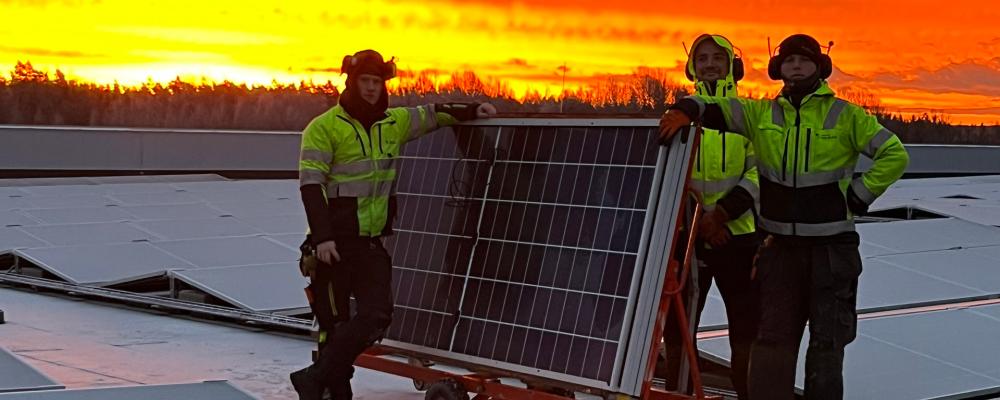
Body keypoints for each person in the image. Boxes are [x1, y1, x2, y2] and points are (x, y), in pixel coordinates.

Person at [658, 34, 909, 400]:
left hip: (809, 246)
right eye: (788, 60)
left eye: (803, 60)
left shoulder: (844, 114)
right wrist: (685, 109)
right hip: (766, 246)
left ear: (820, 67)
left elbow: (894, 154)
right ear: (778, 68)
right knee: (768, 341)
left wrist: (857, 196)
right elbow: (710, 116)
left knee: (822, 345)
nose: (795, 66)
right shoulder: (760, 114)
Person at [291, 49, 496, 400]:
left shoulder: (394, 123)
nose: (371, 88)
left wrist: (473, 109)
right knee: (333, 328)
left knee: (376, 315)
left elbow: (434, 114)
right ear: (351, 82)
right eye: (365, 81)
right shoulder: (323, 129)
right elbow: (311, 187)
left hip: (370, 243)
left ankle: (315, 377)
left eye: (376, 82)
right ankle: (329, 390)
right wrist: (323, 239)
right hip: (333, 246)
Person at [664, 33, 760, 400]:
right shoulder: (676, 116)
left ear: (732, 65)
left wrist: (721, 215)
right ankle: (678, 394)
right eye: (701, 58)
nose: (709, 64)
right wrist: (699, 221)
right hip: (689, 240)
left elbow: (759, 174)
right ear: (691, 67)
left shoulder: (750, 115)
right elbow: (670, 175)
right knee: (680, 329)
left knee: (746, 328)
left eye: (717, 58)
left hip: (739, 238)